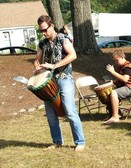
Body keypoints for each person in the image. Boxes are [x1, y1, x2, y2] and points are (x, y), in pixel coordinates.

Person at [33, 15, 85, 151]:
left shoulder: (63, 38)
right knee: (50, 115)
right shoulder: (42, 43)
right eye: (41, 31)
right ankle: (57, 141)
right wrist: (37, 67)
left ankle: (80, 142)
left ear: (52, 26)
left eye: (45, 29)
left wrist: (54, 66)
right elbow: (36, 59)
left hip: (64, 78)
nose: (43, 33)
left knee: (70, 111)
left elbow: (73, 55)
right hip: (49, 82)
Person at [104, 49, 131, 124]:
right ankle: (115, 113)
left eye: (117, 60)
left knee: (113, 93)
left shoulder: (127, 67)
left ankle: (115, 117)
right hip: (126, 87)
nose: (116, 62)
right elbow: (120, 79)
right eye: (115, 61)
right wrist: (113, 82)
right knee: (108, 91)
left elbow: (125, 79)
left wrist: (113, 72)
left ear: (122, 57)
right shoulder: (121, 66)